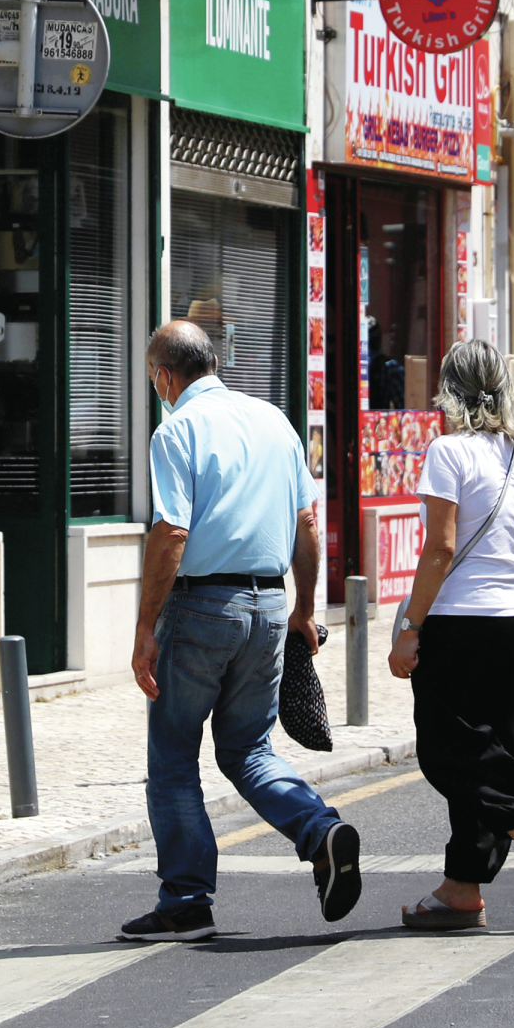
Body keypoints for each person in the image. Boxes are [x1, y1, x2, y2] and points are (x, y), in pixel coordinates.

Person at [124, 320, 362, 941]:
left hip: (202, 607)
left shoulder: (175, 430)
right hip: (268, 607)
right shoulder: (273, 421)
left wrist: (145, 627)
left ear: (164, 376)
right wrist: (305, 610)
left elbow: (172, 532)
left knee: (174, 757)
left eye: (155, 380)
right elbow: (307, 524)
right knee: (249, 750)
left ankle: (186, 899)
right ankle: (320, 829)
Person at [387, 342, 514, 930]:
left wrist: (411, 626)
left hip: (460, 622)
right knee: (492, 752)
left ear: (449, 389)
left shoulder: (447, 452)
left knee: (448, 751)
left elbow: (440, 547)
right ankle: (462, 888)